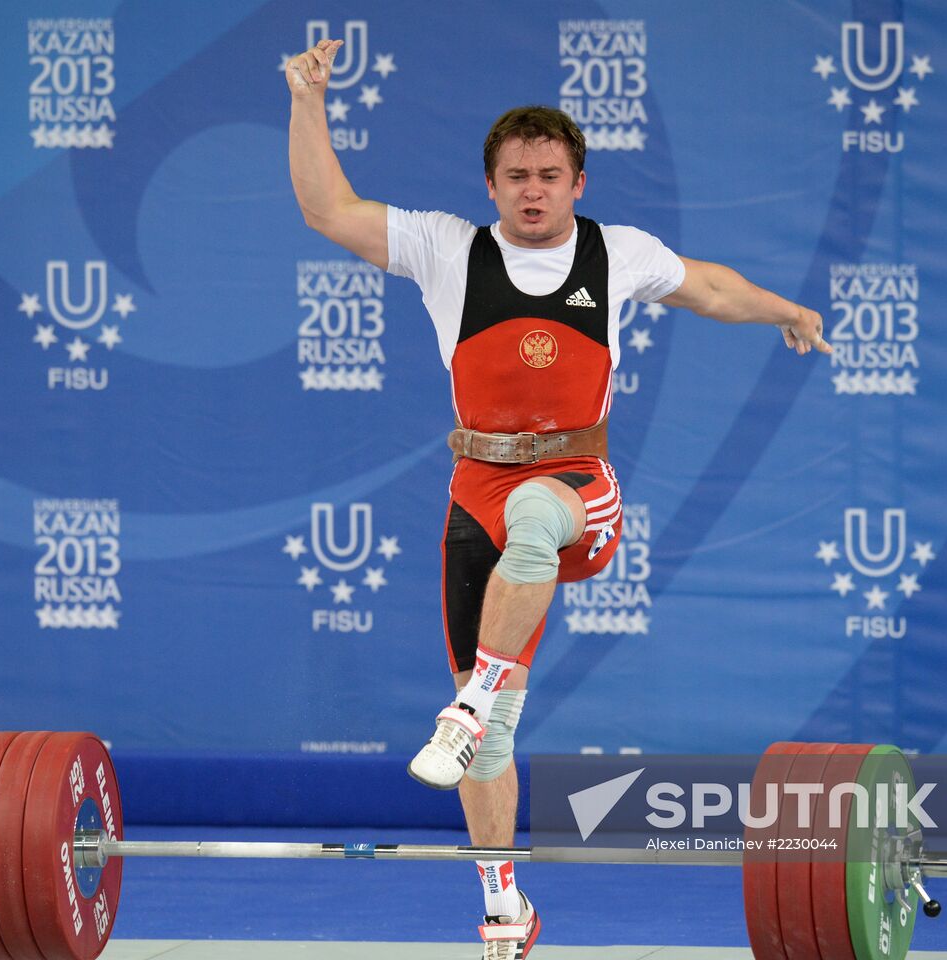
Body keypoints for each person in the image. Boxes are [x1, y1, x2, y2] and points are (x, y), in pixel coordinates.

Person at [285, 38, 829, 959]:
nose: (532, 192)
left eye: (548, 176)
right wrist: (306, 98)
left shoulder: (618, 254)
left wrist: (788, 311)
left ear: (578, 182)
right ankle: (504, 904)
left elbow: (710, 288)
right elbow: (328, 210)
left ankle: (469, 706)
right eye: (515, 178)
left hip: (580, 486)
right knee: (494, 739)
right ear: (491, 186)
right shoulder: (447, 249)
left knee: (534, 523)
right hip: (474, 493)